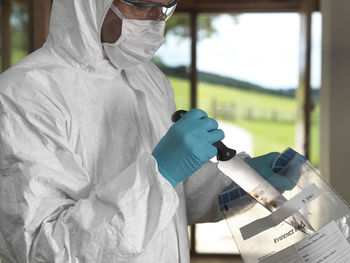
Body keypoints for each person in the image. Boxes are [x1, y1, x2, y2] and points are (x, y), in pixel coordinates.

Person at [0, 0, 284, 262]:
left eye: (165, 6)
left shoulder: (150, 79)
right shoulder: (25, 94)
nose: (156, 18)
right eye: (143, 4)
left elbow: (177, 199)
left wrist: (245, 183)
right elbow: (46, 250)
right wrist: (160, 175)